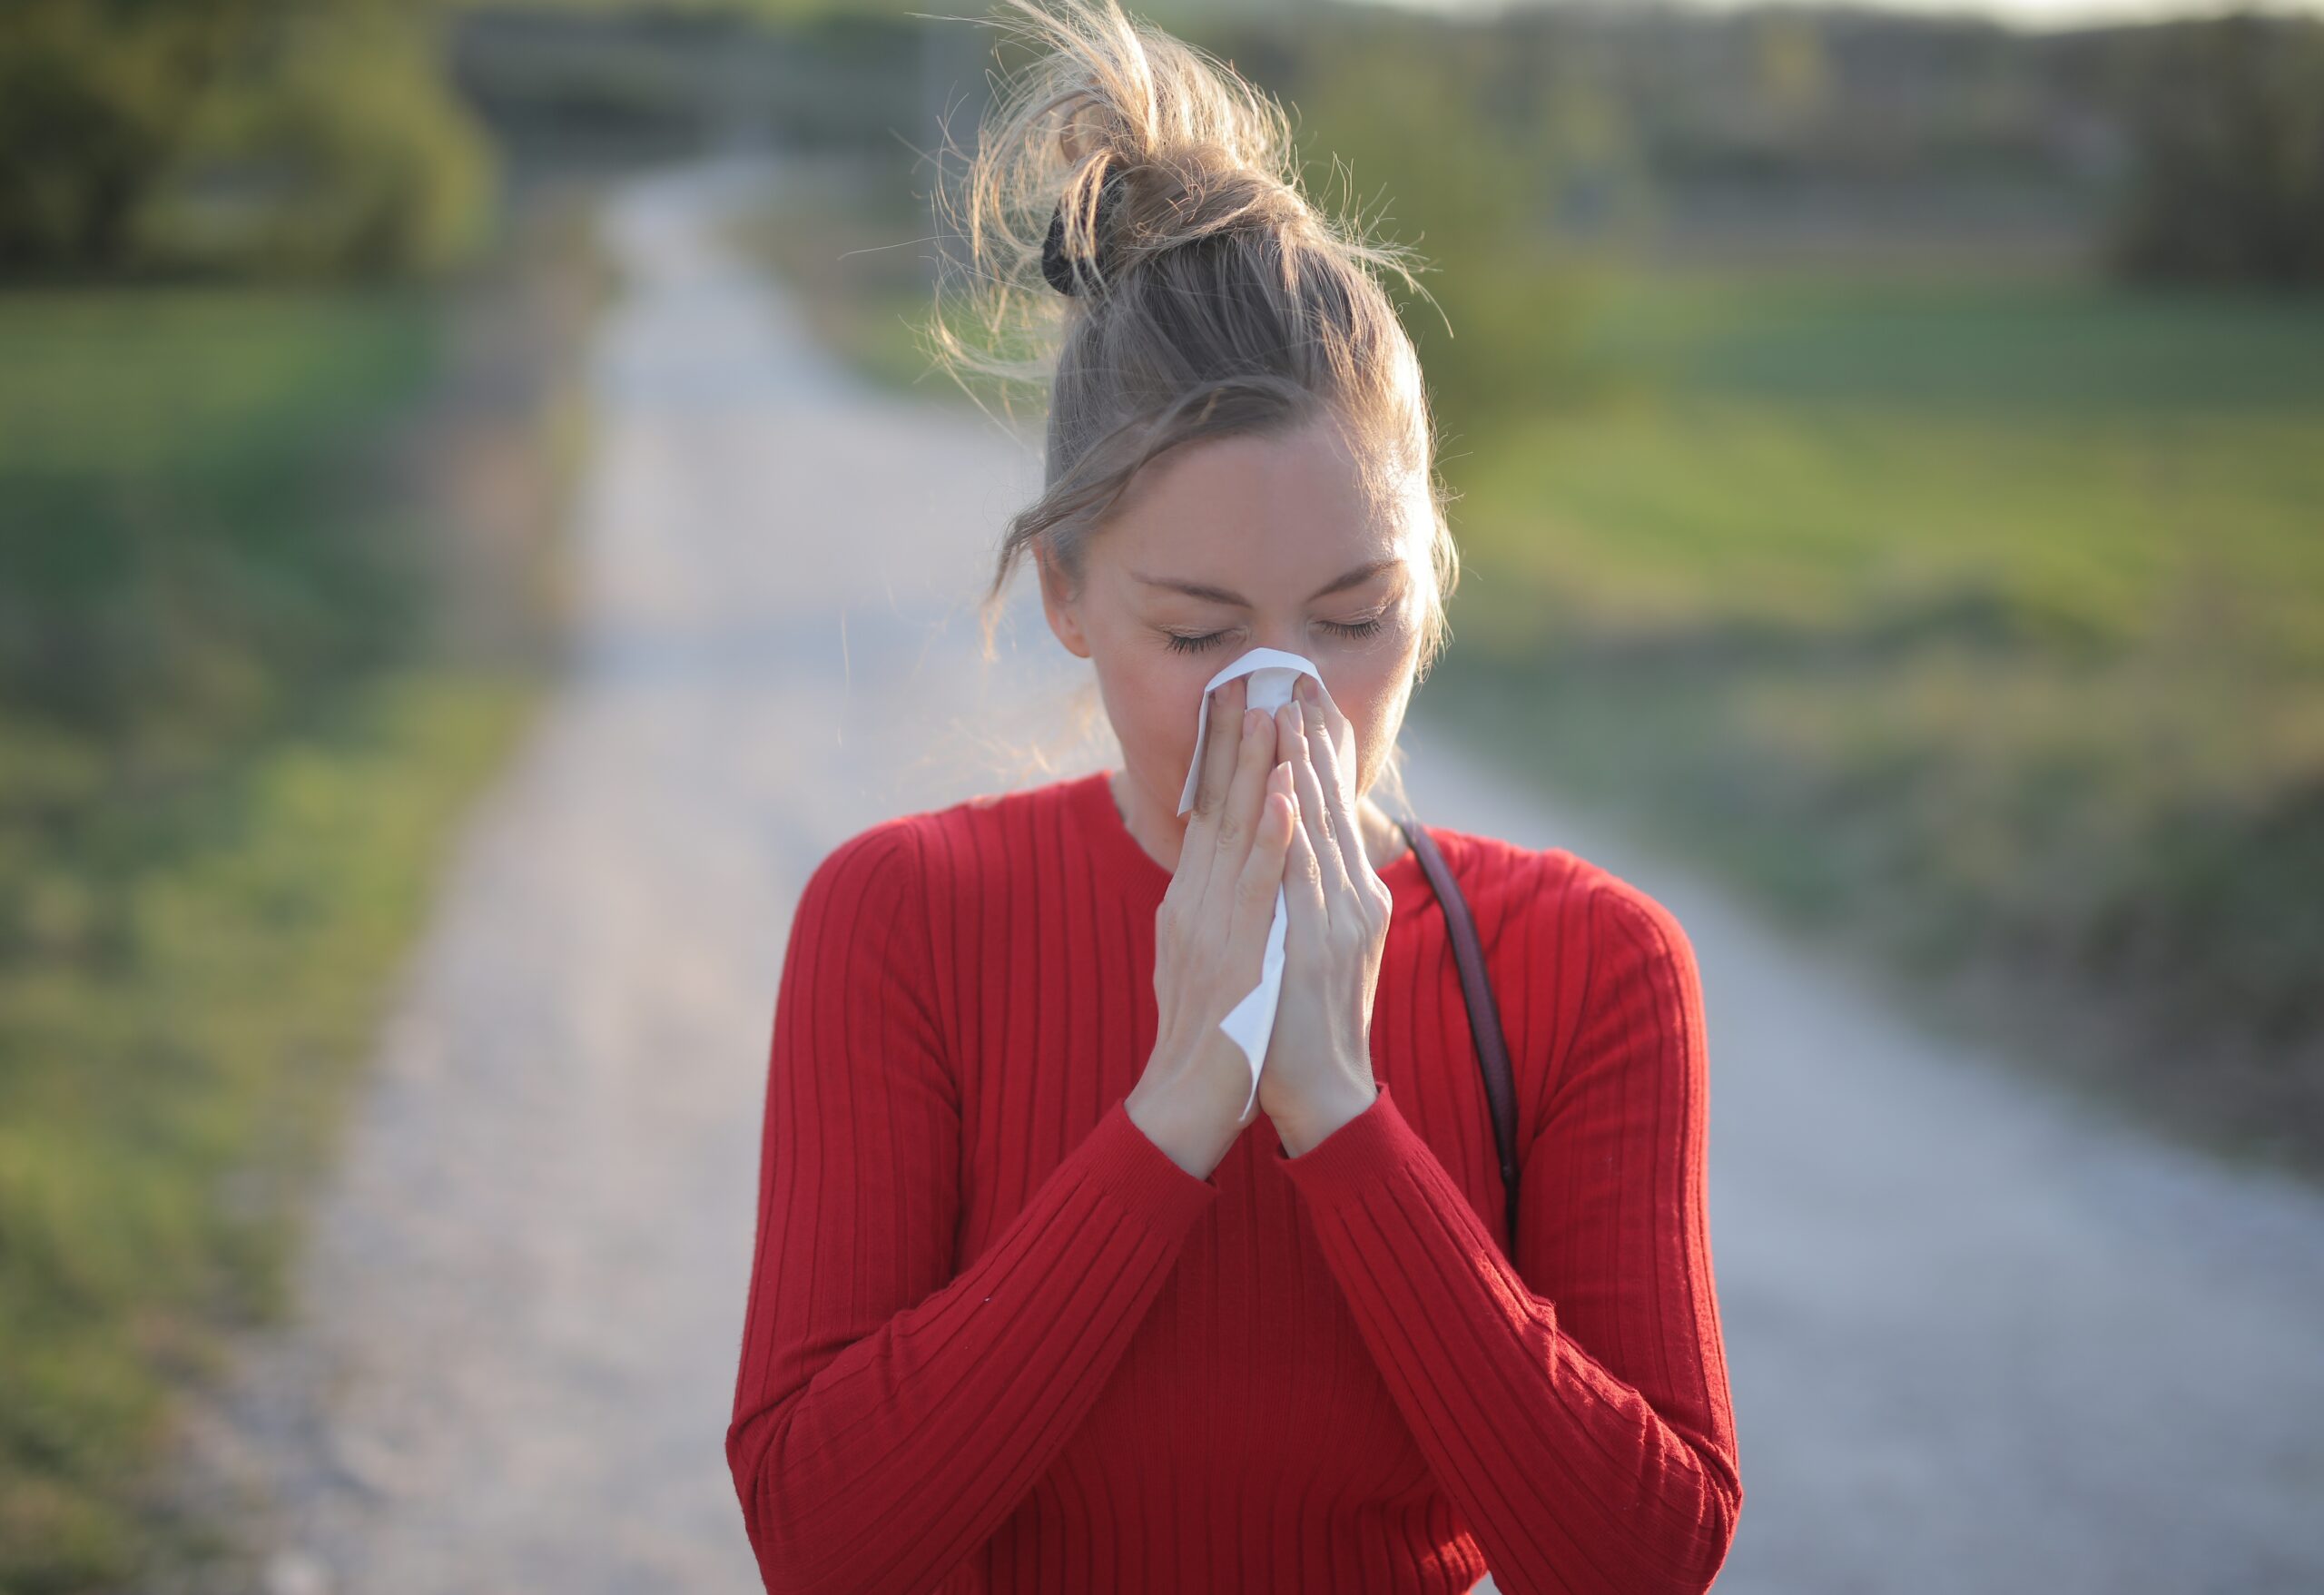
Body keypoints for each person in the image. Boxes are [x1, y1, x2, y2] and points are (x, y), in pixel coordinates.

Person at [724, 2, 1741, 1590]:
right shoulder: (906, 921)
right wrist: (1177, 1104)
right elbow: (820, 1538)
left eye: (1355, 619)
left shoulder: (1588, 966)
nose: (1289, 700)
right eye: (1198, 632)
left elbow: (1646, 1556)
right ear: (1066, 594)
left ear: (1433, 580)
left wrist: (1336, 1104)